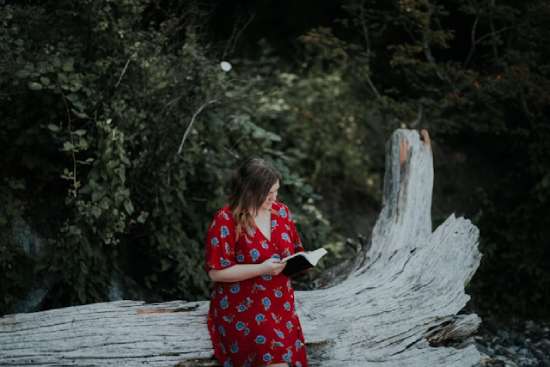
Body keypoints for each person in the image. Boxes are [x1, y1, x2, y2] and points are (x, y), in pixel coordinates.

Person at [204, 157, 308, 367]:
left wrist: (302, 263)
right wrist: (261, 269)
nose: (274, 198)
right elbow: (216, 273)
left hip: (281, 305)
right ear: (249, 191)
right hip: (243, 307)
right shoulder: (226, 219)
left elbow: (296, 250)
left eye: (276, 191)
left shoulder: (282, 213)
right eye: (268, 194)